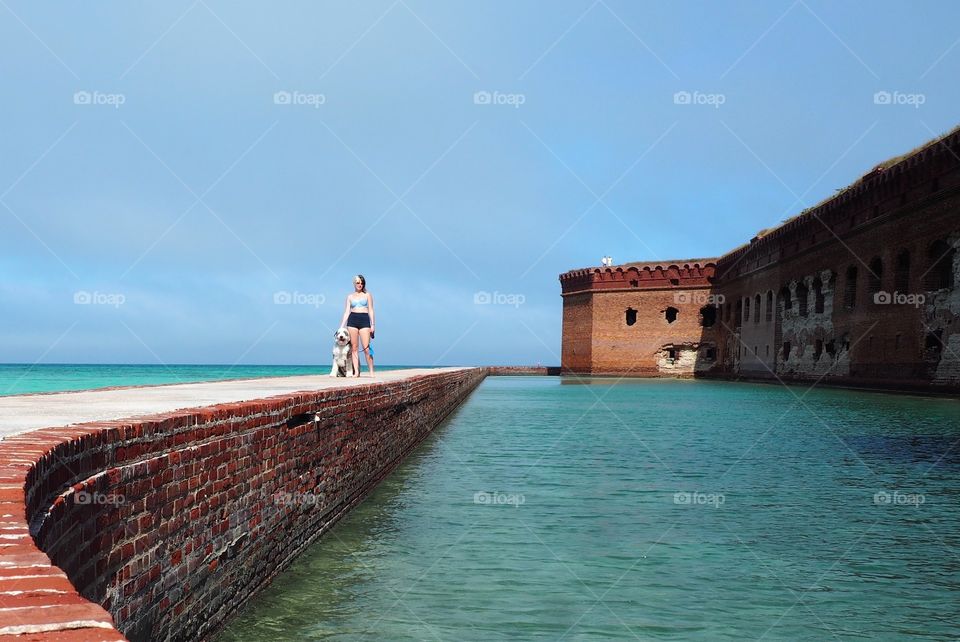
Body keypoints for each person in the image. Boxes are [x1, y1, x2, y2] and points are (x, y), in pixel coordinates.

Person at [339, 274, 375, 377]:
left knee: (366, 348)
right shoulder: (350, 296)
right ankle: (356, 372)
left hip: (364, 320)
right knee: (354, 348)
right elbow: (346, 312)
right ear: (354, 283)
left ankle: (371, 371)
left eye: (362, 283)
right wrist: (342, 326)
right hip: (352, 320)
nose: (360, 284)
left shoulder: (367, 295)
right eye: (358, 283)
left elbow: (371, 310)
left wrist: (373, 325)